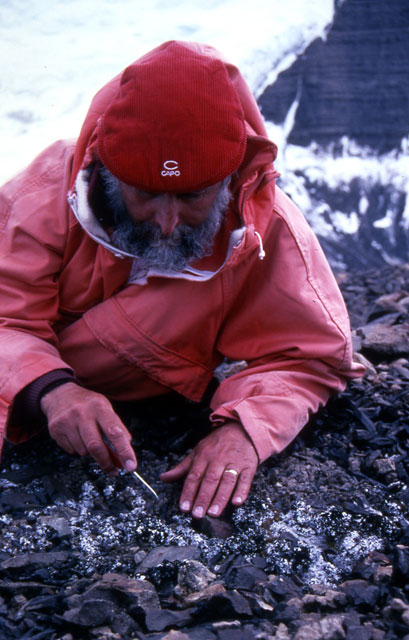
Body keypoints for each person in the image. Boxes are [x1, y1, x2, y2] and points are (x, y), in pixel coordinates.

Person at [0, 40, 364, 519]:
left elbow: (312, 358)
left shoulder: (265, 231)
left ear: (231, 175)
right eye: (146, 193)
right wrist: (51, 390)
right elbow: (7, 318)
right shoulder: (43, 194)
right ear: (109, 172)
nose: (168, 222)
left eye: (193, 195)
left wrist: (244, 431)